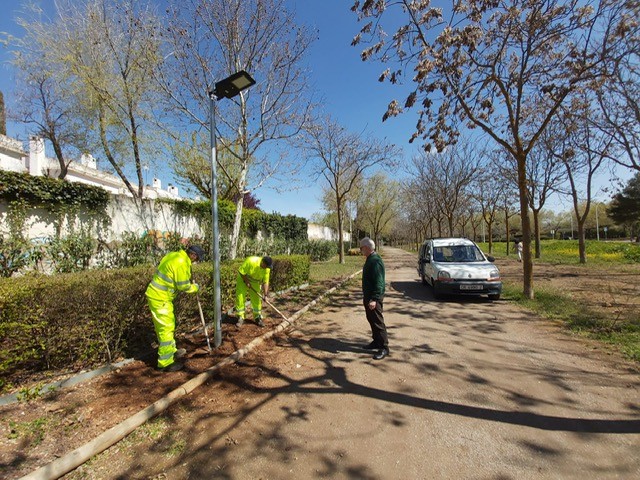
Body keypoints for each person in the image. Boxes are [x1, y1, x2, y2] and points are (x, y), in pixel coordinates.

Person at [145, 245, 204, 372]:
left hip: (161, 297)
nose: (196, 261)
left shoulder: (175, 255)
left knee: (169, 325)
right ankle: (165, 363)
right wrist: (195, 287)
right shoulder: (182, 263)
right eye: (196, 258)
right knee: (166, 329)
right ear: (192, 255)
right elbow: (183, 286)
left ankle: (172, 351)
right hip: (160, 298)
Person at [359, 237, 389, 360]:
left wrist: (374, 299)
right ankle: (376, 342)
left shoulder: (375, 261)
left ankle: (384, 348)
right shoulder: (370, 259)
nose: (361, 250)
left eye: (361, 248)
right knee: (371, 320)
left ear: (366, 247)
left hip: (373, 297)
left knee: (377, 322)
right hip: (369, 296)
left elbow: (379, 282)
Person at [235, 255, 272, 327]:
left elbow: (265, 282)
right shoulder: (251, 261)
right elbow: (241, 271)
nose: (267, 268)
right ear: (263, 263)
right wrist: (246, 281)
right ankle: (240, 317)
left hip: (255, 281)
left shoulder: (267, 269)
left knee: (256, 298)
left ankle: (257, 317)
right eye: (266, 266)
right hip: (243, 278)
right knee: (240, 297)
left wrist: (265, 295)